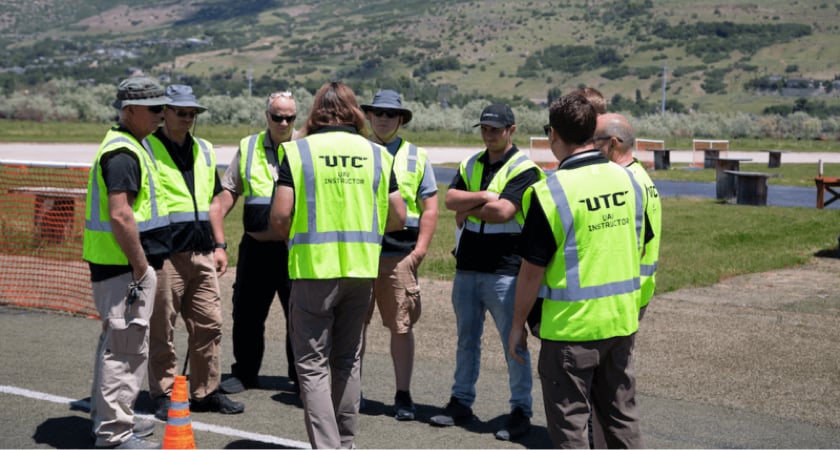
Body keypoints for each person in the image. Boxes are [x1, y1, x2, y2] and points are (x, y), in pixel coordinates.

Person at [269, 81, 406, 449]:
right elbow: (399, 216)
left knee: (312, 366)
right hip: (361, 270)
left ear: (316, 112)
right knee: (347, 360)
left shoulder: (297, 153)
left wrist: (295, 235)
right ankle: (345, 443)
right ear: (354, 112)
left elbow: (280, 216)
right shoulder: (378, 154)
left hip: (314, 269)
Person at [508, 93, 646, 448]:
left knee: (570, 428)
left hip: (570, 329)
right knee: (621, 420)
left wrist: (516, 325)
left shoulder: (549, 191)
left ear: (553, 134)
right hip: (620, 321)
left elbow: (531, 271)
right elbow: (639, 241)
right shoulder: (629, 180)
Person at [431, 103, 544, 441]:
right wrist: (482, 196)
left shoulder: (526, 168)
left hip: (505, 270)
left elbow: (504, 211)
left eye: (496, 129)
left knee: (514, 343)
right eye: (485, 128)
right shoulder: (471, 163)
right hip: (467, 267)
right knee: (466, 340)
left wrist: (471, 207)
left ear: (511, 129)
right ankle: (461, 401)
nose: (489, 134)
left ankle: (520, 410)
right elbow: (450, 199)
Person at [146, 85, 244, 420]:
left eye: (192, 113)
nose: (188, 118)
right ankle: (163, 393)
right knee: (163, 327)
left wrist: (220, 245)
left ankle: (205, 392)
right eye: (181, 112)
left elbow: (215, 202)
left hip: (202, 252)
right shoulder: (147, 148)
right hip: (165, 255)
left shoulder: (203, 149)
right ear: (165, 113)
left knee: (210, 325)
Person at [84, 76, 172, 449]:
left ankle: (114, 415)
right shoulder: (123, 153)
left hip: (120, 267)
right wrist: (141, 267)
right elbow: (121, 216)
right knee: (124, 349)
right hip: (124, 268)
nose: (162, 117)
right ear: (130, 110)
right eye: (155, 109)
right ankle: (114, 435)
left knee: (119, 343)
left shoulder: (133, 144)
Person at [360, 89, 439, 421]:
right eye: (377, 112)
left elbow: (430, 208)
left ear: (401, 118)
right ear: (368, 115)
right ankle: (352, 391)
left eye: (390, 114)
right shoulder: (357, 151)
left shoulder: (416, 157)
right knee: (353, 326)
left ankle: (403, 395)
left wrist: (419, 251)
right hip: (360, 251)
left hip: (399, 253)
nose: (383, 118)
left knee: (401, 326)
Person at [214, 91, 299, 395]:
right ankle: (245, 372)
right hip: (255, 249)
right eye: (277, 116)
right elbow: (229, 191)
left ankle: (302, 378)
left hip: (294, 249)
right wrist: (215, 228)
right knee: (247, 314)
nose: (284, 122)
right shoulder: (248, 146)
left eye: (289, 117)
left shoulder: (306, 147)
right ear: (267, 116)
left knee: (300, 316)